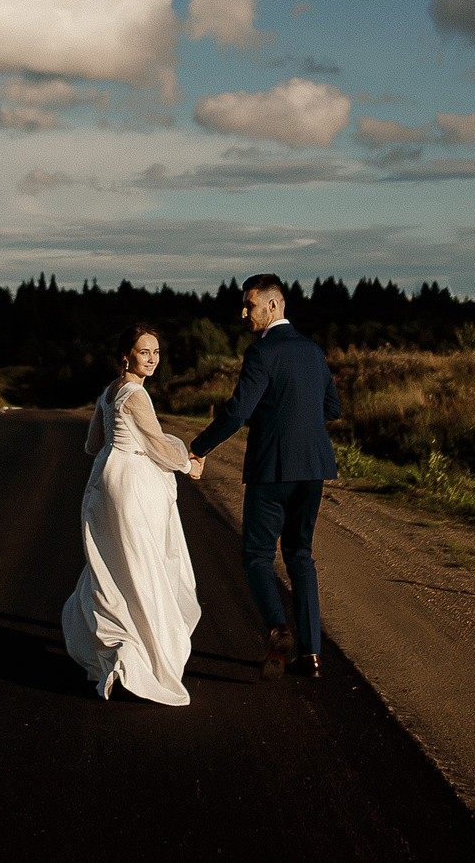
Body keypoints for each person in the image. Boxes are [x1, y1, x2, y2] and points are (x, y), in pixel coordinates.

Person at [188, 274, 339, 679]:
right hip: (313, 470)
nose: (243, 313)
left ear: (273, 306)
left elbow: (237, 413)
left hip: (272, 469)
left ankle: (278, 627)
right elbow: (332, 408)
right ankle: (311, 656)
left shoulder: (261, 353)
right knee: (300, 556)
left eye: (248, 305)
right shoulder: (313, 351)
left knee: (257, 555)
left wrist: (197, 448)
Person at [61, 323, 205, 703]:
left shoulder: (107, 394)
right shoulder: (136, 395)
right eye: (145, 352)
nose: (153, 359)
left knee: (113, 564)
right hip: (133, 485)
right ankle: (137, 658)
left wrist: (121, 445)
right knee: (143, 567)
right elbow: (157, 444)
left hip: (104, 478)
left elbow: (93, 445)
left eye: (156, 352)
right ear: (127, 356)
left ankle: (116, 649)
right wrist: (188, 464)